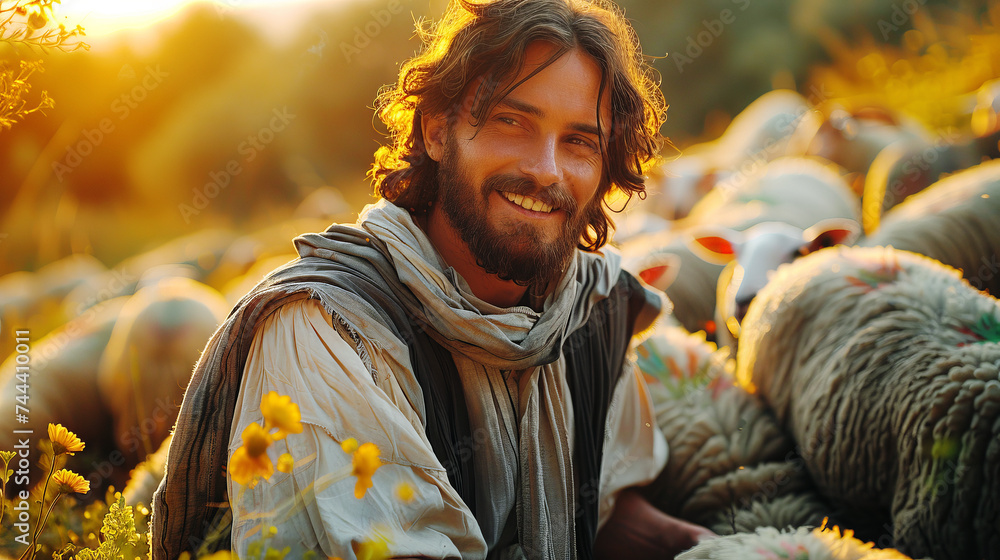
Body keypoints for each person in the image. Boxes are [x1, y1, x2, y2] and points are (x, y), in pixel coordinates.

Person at [151, 0, 714, 557]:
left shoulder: (591, 311)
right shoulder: (329, 328)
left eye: (579, 141)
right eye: (510, 121)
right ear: (438, 131)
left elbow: (604, 510)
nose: (546, 169)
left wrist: (714, 549)